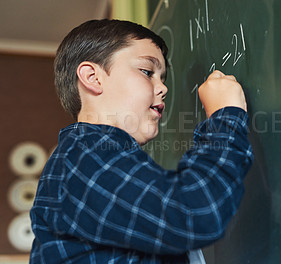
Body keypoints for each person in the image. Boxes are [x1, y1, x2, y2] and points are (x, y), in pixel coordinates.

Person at [30, 19, 253, 263]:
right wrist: (225, 116)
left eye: (163, 77)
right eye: (147, 72)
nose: (163, 88)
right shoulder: (83, 156)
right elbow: (195, 212)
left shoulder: (92, 157)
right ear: (92, 77)